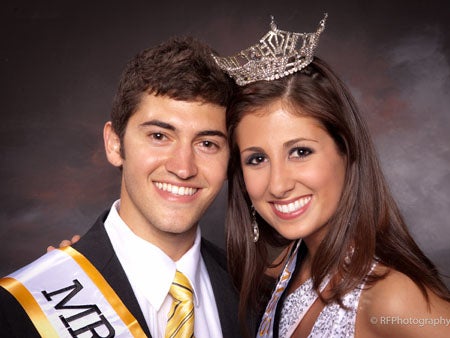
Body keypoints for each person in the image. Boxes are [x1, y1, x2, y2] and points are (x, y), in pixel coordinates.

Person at [214, 15, 450, 337]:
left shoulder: (391, 298)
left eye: (300, 151)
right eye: (257, 159)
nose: (279, 184)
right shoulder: (287, 265)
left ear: (346, 150)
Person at [0, 36, 244, 337]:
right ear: (114, 144)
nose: (183, 168)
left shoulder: (257, 297)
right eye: (159, 136)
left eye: (207, 143)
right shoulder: (21, 309)